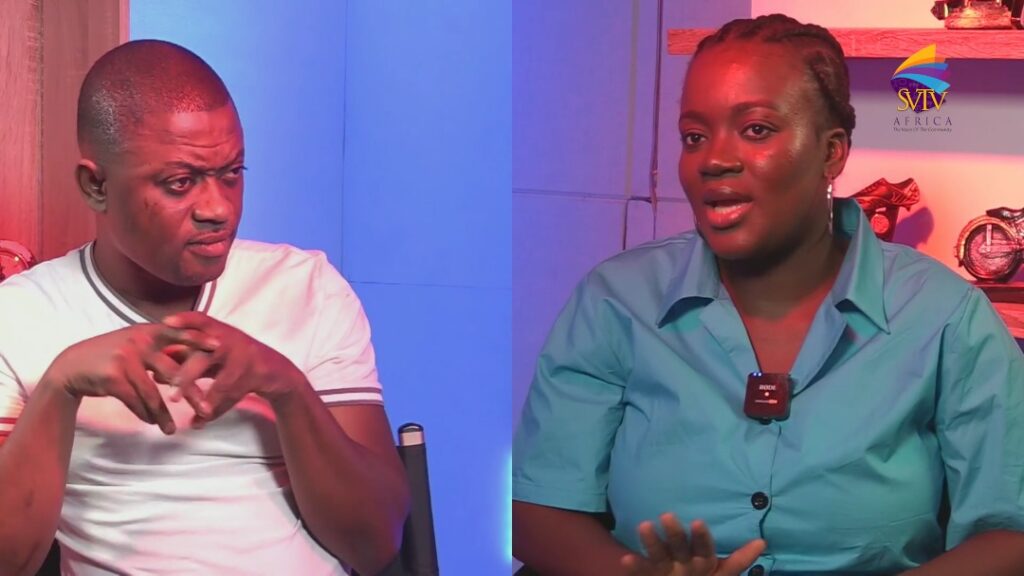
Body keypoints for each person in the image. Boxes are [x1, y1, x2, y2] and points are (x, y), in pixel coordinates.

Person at [512, 14, 1024, 576]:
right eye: (694, 136)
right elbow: (538, 508)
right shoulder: (617, 301)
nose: (714, 160)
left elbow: (1010, 532)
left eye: (756, 129)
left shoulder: (943, 316)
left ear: (832, 152)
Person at [0, 40, 409, 576]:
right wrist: (60, 388)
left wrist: (287, 388)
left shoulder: (306, 288)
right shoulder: (20, 316)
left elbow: (376, 545)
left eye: (232, 173)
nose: (218, 208)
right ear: (96, 185)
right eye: (181, 182)